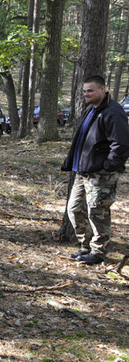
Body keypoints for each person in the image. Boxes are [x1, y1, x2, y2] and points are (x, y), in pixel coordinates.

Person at [61, 75, 129, 265]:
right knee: (74, 209)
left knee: (97, 212)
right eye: (84, 91)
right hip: (83, 172)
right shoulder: (91, 110)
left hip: (101, 174)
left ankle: (99, 252)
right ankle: (86, 246)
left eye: (90, 90)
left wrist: (107, 167)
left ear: (102, 89)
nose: (86, 94)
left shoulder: (113, 112)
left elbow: (122, 144)